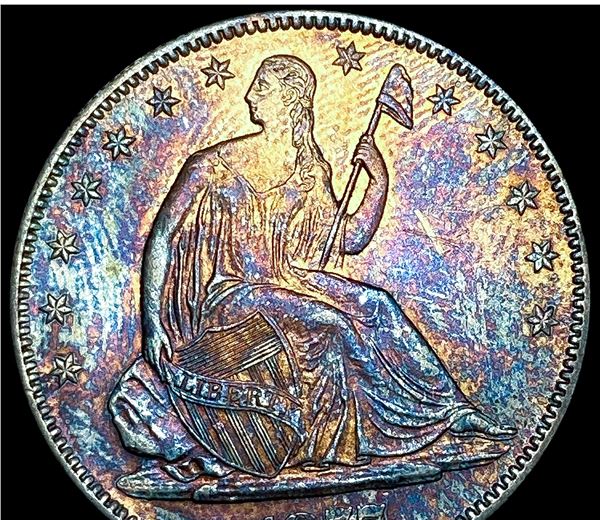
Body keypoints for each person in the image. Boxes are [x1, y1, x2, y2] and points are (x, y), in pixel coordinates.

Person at [109, 55, 515, 492]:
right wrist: (153, 323)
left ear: (290, 98)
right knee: (331, 320)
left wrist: (377, 181)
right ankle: (363, 440)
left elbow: (349, 238)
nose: (250, 96)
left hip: (287, 279)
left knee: (377, 304)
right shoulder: (211, 164)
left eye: (262, 87)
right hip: (231, 293)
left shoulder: (310, 170)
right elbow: (162, 237)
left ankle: (449, 412)